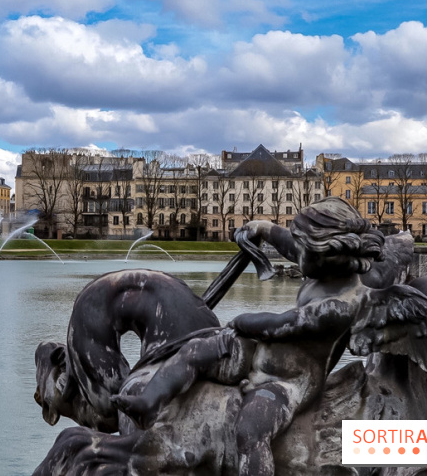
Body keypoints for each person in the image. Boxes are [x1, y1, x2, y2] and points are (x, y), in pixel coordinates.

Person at [113, 197, 385, 476]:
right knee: (195, 350)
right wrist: (264, 228)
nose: (296, 253)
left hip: (289, 380)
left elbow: (279, 324)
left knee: (251, 430)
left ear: (324, 255)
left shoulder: (340, 306)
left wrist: (242, 321)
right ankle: (149, 402)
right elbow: (291, 246)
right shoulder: (323, 272)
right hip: (261, 352)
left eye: (303, 250)